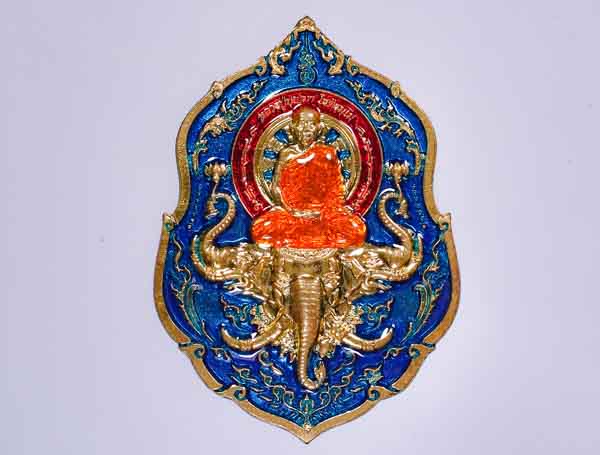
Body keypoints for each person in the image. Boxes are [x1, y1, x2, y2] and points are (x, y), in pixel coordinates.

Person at [251, 106, 366, 249]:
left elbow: (337, 192)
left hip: (323, 217)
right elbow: (276, 188)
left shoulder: (328, 154)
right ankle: (315, 239)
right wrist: (293, 211)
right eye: (302, 123)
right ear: (293, 128)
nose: (306, 129)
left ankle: (302, 239)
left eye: (311, 124)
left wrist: (322, 212)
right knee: (262, 228)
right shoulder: (286, 154)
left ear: (319, 128)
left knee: (355, 229)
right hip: (292, 216)